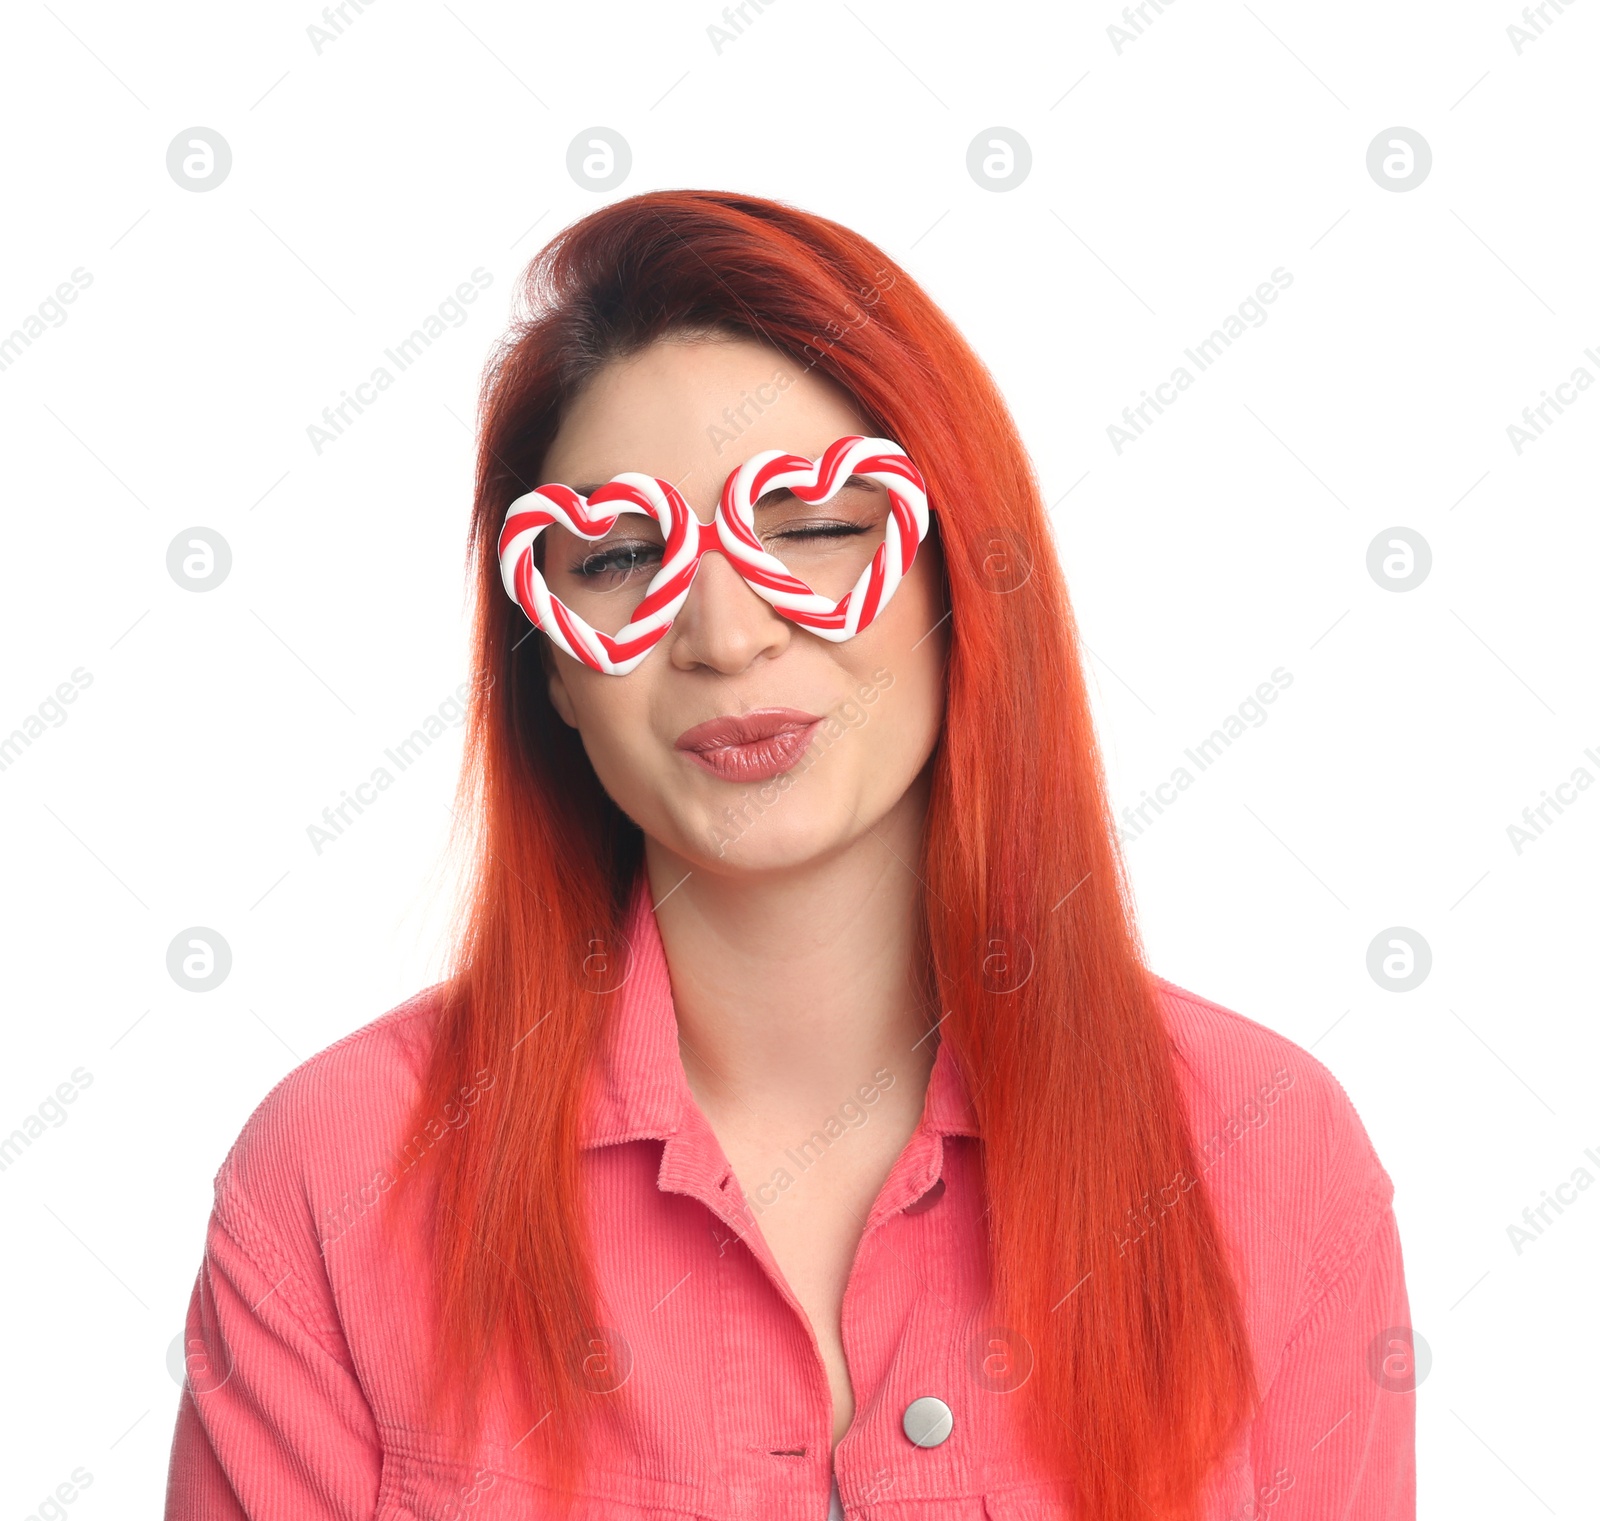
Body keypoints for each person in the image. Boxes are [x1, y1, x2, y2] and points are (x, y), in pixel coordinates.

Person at [163, 189, 1416, 1521]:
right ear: (555, 675)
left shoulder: (1262, 1157)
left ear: (960, 590)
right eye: (617, 557)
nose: (725, 634)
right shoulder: (335, 1178)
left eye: (816, 531)